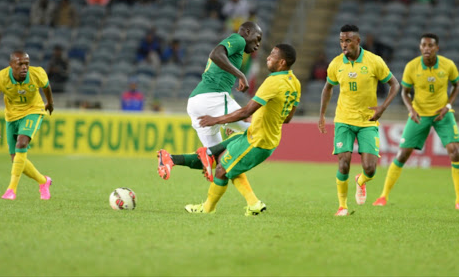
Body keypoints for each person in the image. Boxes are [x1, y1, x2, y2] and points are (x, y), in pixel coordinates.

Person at [160, 43, 300, 215]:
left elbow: (245, 111)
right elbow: (286, 117)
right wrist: (255, 119)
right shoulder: (295, 83)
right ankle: (171, 159)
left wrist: (217, 120)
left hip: (257, 140)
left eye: (272, 55)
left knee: (222, 169)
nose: (268, 57)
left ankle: (208, 208)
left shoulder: (273, 82)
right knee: (218, 157)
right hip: (262, 137)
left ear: (282, 62)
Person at [157, 21, 263, 210]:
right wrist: (241, 75)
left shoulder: (237, 50)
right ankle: (206, 154)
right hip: (212, 97)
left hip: (198, 102)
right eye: (257, 37)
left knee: (222, 160)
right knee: (257, 132)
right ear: (247, 32)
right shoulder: (237, 39)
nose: (258, 43)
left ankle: (171, 158)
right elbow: (215, 54)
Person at [373, 33, 459, 210]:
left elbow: (457, 85)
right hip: (419, 114)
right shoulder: (412, 67)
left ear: (437, 48)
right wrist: (411, 109)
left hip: (442, 114)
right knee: (402, 155)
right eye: (423, 45)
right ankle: (383, 196)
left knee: (455, 151)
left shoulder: (448, 65)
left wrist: (447, 105)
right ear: (420, 47)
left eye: (430, 45)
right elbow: (404, 92)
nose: (427, 48)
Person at [318, 24, 400, 216]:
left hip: (368, 120)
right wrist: (322, 114)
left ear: (357, 41)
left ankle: (361, 180)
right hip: (344, 119)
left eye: (347, 40)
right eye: (341, 41)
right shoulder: (336, 64)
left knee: (370, 168)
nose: (343, 45)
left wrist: (382, 107)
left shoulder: (374, 61)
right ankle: (342, 206)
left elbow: (394, 84)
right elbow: (327, 88)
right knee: (343, 162)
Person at [0, 50, 54, 200]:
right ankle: (44, 181)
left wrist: (50, 103)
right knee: (15, 158)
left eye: (27, 64)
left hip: (33, 110)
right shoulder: (1, 78)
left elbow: (46, 86)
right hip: (11, 117)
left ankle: (11, 190)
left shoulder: (37, 73)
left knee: (21, 143)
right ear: (11, 65)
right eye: (20, 64)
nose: (24, 67)